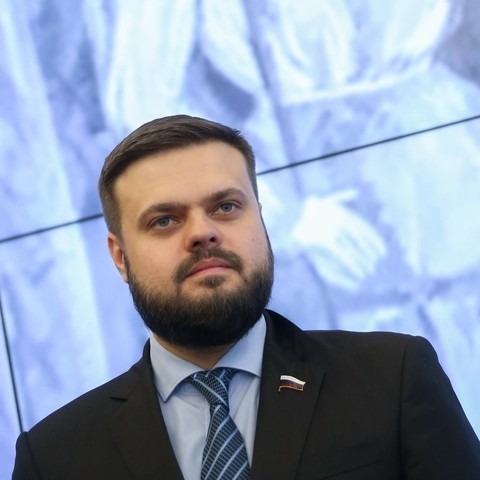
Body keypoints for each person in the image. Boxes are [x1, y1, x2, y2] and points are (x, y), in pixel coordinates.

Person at [12, 115, 480, 479]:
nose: (203, 233)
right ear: (119, 257)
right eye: (164, 220)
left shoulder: (393, 378)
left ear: (262, 219)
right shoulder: (54, 456)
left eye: (226, 207)